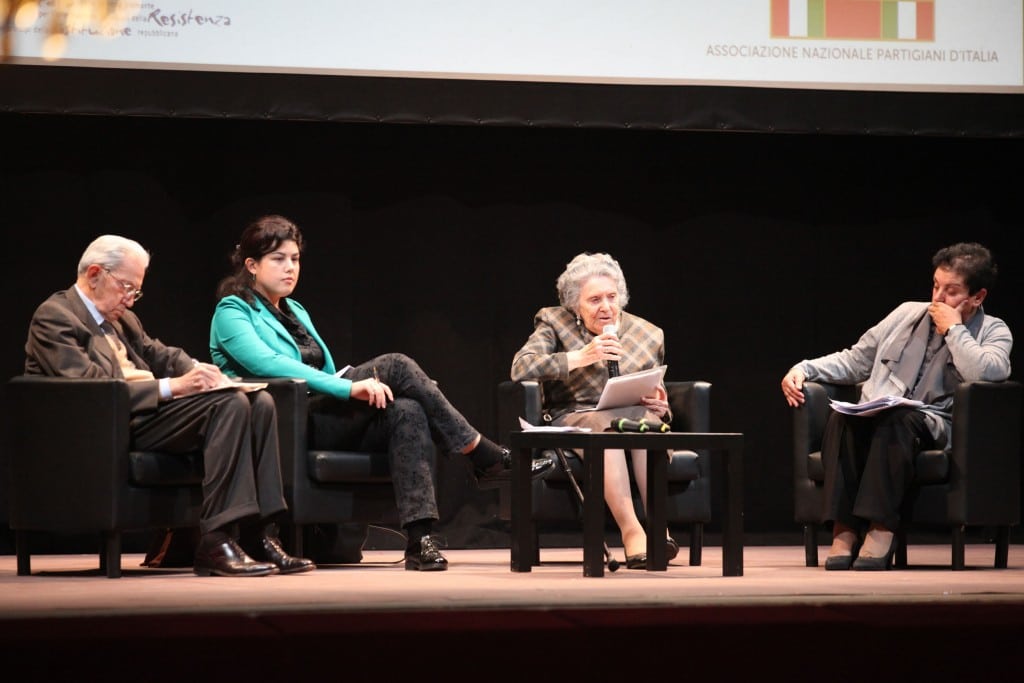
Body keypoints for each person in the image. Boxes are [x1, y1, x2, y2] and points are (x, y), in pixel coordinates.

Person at [208, 214, 555, 572]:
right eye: (278, 259)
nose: (290, 268)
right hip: (283, 422)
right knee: (398, 366)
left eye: (295, 259)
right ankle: (483, 455)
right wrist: (350, 387)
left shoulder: (295, 310)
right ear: (251, 265)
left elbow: (324, 371)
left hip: (323, 415)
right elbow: (271, 364)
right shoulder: (232, 310)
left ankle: (421, 540)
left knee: (406, 409)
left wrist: (355, 386)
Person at [24, 235, 314, 577]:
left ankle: (259, 534)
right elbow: (92, 389)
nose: (130, 300)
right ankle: (216, 540)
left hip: (142, 415)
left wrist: (199, 370)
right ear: (94, 275)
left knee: (260, 401)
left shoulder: (121, 319)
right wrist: (172, 387)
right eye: (126, 287)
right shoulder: (56, 317)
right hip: (105, 427)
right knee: (228, 405)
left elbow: (160, 354)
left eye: (136, 291)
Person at [781, 242, 1012, 571]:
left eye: (952, 291)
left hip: (929, 424)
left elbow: (986, 372)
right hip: (879, 410)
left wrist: (954, 330)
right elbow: (856, 360)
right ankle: (843, 529)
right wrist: (804, 369)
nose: (938, 298)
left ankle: (881, 527)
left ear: (977, 297)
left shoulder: (994, 330)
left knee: (900, 418)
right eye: (935, 286)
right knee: (841, 418)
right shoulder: (906, 313)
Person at [510, 252, 679, 570]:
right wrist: (579, 357)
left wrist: (662, 406)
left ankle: (660, 530)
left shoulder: (649, 333)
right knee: (608, 429)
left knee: (649, 426)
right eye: (595, 300)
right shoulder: (553, 321)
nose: (606, 307)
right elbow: (521, 367)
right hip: (576, 414)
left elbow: (658, 389)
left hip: (632, 412)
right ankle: (631, 532)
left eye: (612, 297)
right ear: (575, 305)